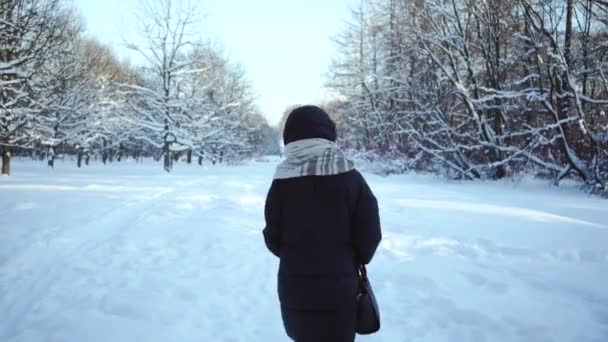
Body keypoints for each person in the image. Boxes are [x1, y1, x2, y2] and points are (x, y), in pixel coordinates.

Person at [263, 105, 382, 342]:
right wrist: (353, 259)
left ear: (290, 138)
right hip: (341, 287)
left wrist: (295, 256)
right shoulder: (350, 177)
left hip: (295, 286)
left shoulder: (281, 181)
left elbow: (272, 236)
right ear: (328, 134)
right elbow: (370, 234)